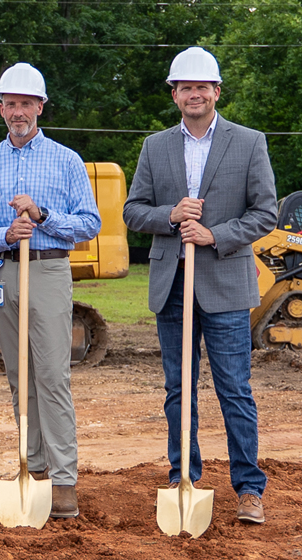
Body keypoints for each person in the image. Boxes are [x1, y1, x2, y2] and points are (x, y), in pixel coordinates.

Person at [122, 47, 276, 524]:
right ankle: (182, 477)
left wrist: (215, 235)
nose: (194, 94)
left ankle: (249, 488)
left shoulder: (248, 142)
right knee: (178, 389)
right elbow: (133, 211)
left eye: (202, 87)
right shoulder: (155, 146)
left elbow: (265, 213)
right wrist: (170, 215)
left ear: (216, 92)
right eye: (185, 87)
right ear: (175, 94)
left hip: (226, 283)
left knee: (234, 389)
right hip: (172, 285)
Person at [0, 62, 100, 518]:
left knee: (52, 376)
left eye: (26, 103)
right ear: (1, 108)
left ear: (40, 106)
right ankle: (32, 468)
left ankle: (63, 479)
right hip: (2, 271)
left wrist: (42, 217)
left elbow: (90, 224)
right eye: (10, 103)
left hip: (48, 270)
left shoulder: (66, 160)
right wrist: (4, 234)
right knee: (20, 377)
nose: (17, 111)